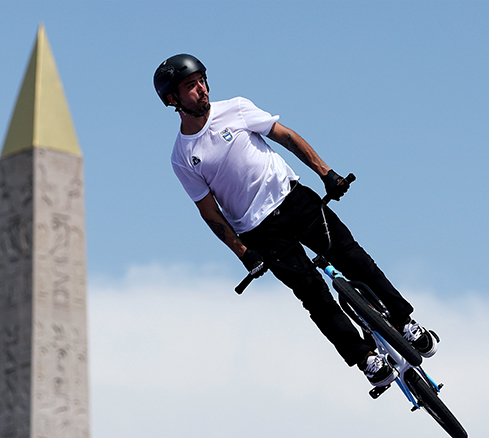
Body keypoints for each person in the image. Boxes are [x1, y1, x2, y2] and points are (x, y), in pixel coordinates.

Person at [154, 54, 437, 387]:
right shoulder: (182, 156)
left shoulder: (236, 108)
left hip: (295, 200)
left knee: (353, 257)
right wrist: (243, 252)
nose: (201, 89)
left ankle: (405, 322)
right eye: (191, 86)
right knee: (313, 295)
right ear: (173, 99)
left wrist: (326, 173)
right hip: (260, 232)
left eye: (202, 80)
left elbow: (285, 136)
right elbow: (209, 211)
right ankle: (366, 360)